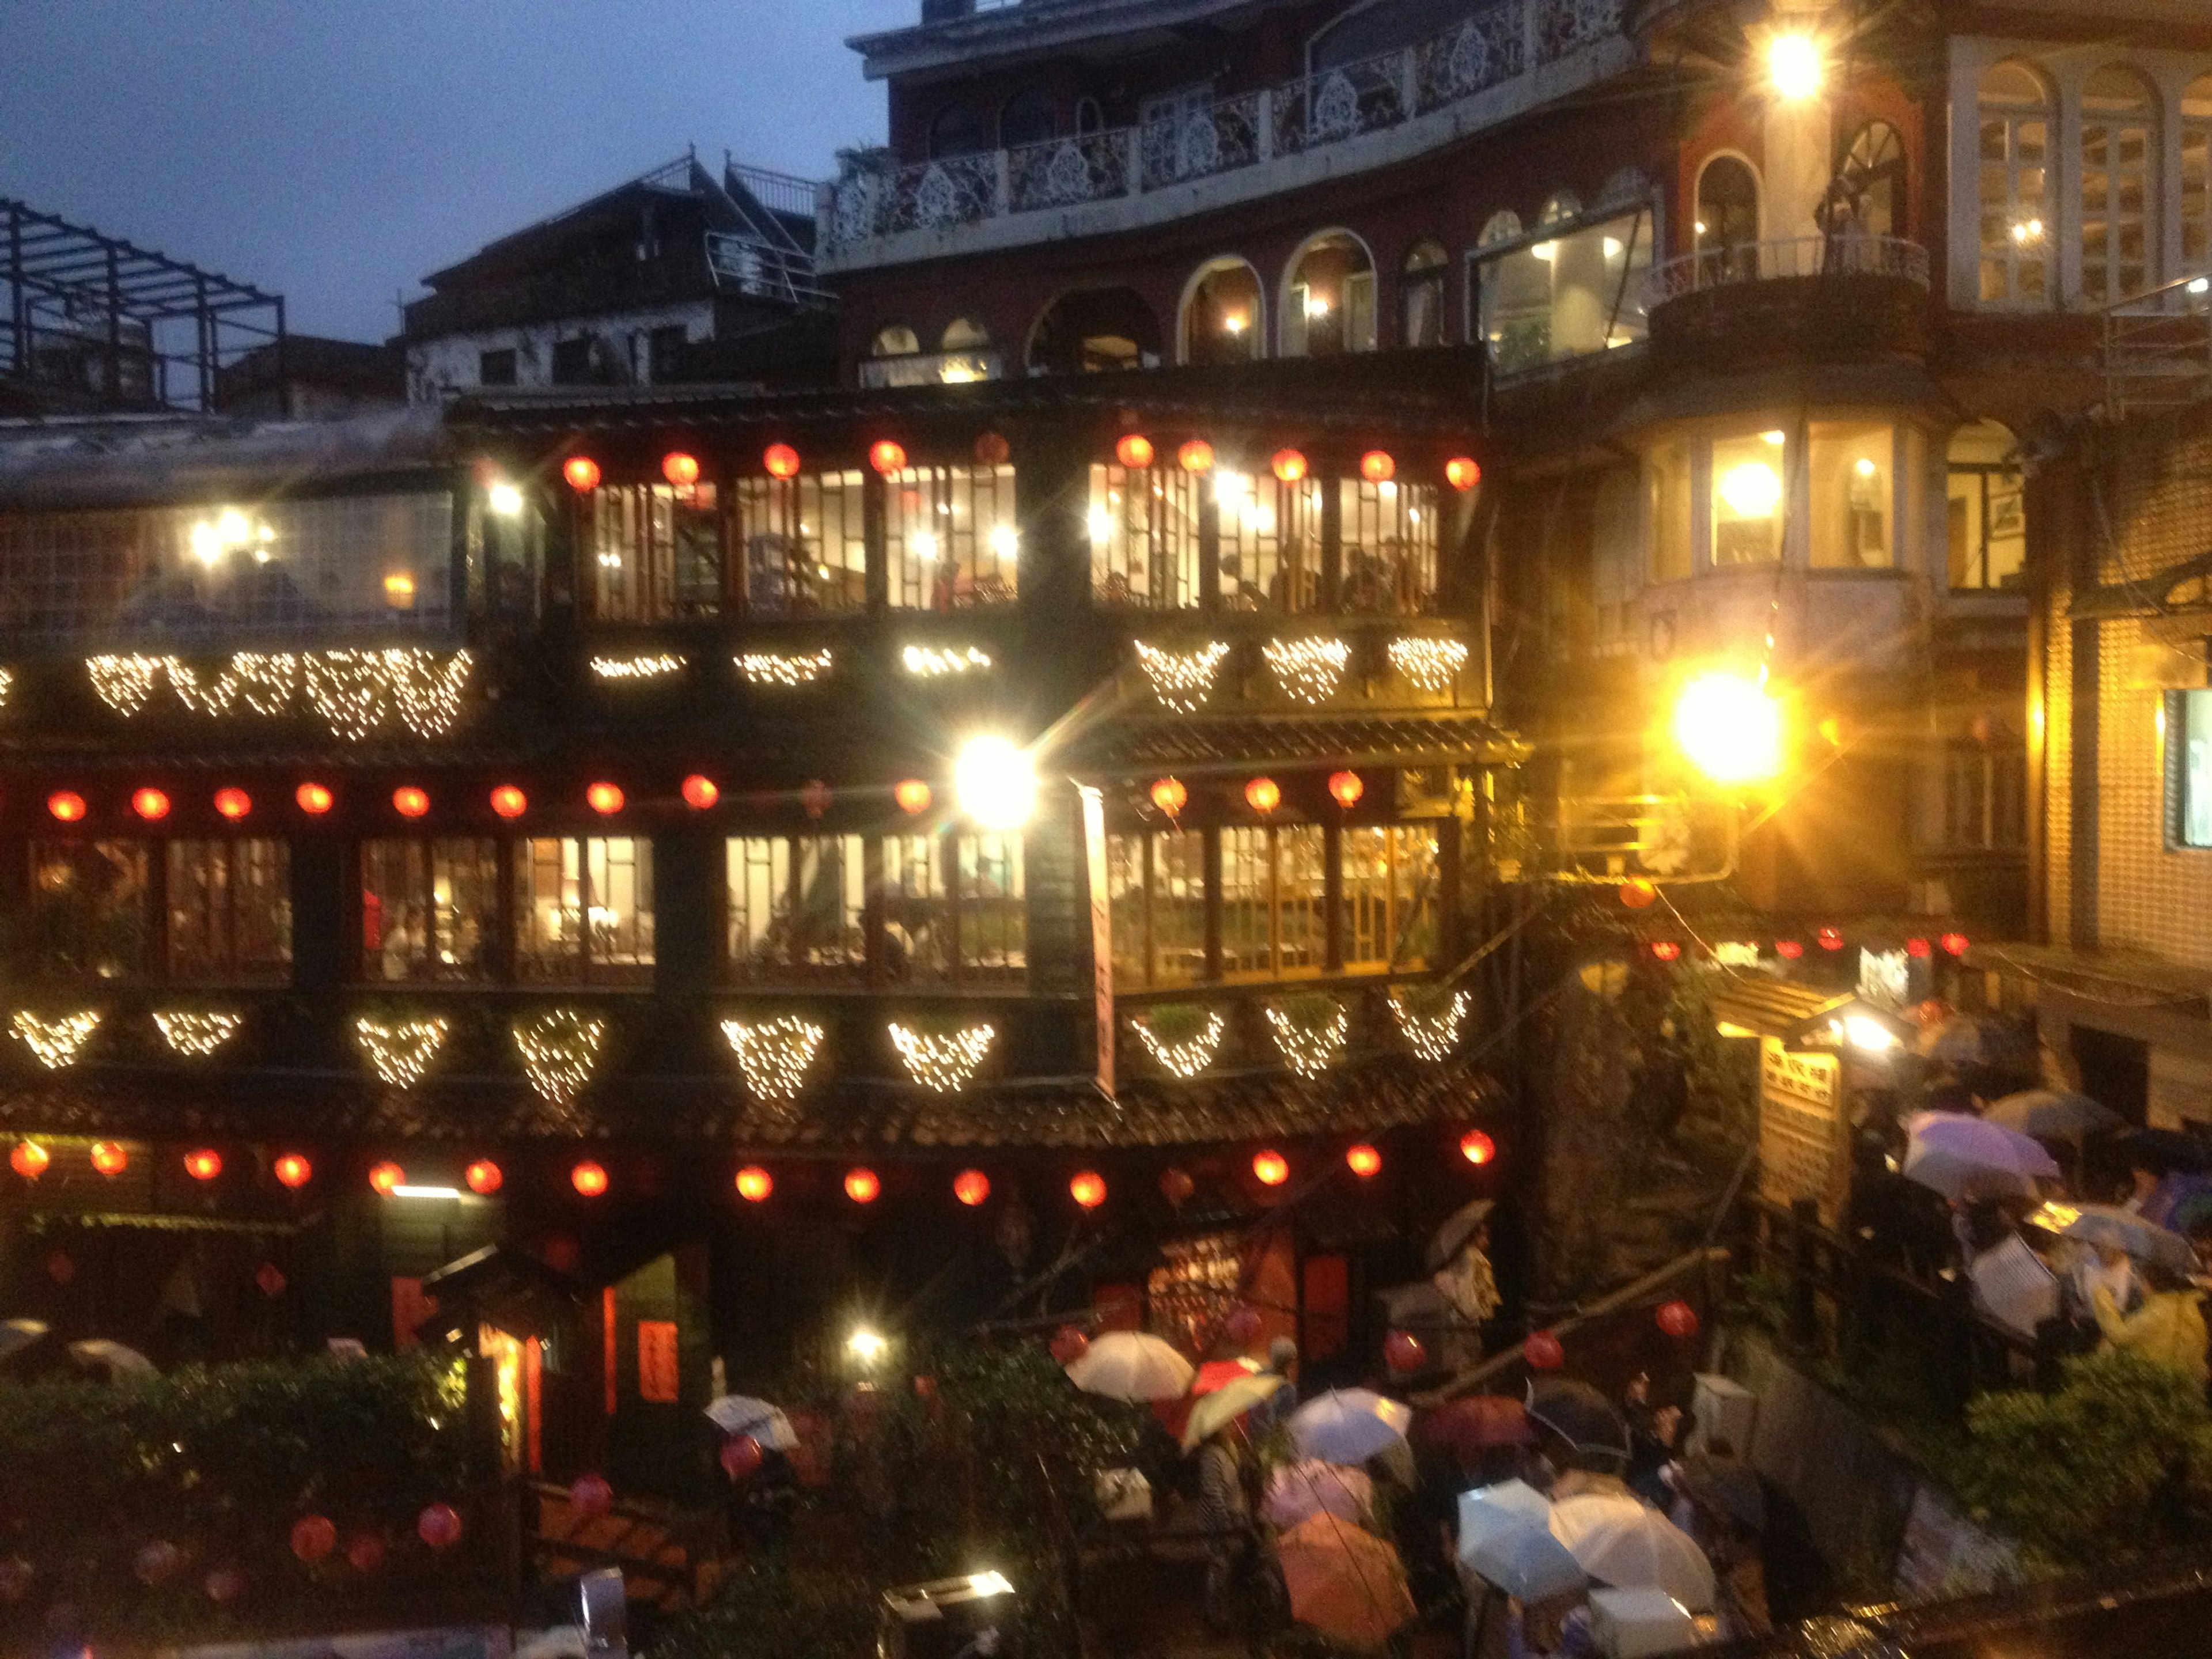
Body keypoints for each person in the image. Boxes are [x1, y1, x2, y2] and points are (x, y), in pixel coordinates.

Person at [2093, 1259, 2210, 1385]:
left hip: (2154, 1383)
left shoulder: (2157, 1311)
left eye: (2141, 1281)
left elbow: (2119, 1335)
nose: (2140, 1287)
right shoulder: (2191, 1311)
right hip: (2183, 1385)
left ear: (2150, 1283)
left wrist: (2102, 1295)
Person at [1195, 1427, 1251, 1631]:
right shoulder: (1211, 1455)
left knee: (1224, 1566)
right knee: (1218, 1565)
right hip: (1217, 1520)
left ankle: (1220, 1612)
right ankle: (1214, 1615)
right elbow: (1213, 1491)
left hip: (1228, 1516)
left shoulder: (1227, 1451)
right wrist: (1224, 1522)